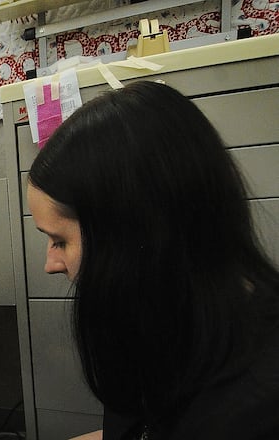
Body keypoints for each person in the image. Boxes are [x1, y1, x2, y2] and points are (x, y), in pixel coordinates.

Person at [27, 80, 279, 439]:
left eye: (59, 241)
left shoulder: (253, 409)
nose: (50, 264)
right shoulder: (164, 324)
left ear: (135, 233)